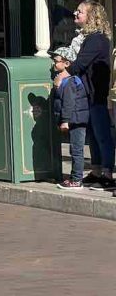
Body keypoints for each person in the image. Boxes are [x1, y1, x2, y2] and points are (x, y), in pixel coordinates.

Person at [58, 0, 115, 188]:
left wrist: (61, 75)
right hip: (89, 94)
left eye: (80, 12)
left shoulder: (96, 39)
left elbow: (79, 64)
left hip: (96, 94)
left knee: (101, 134)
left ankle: (107, 173)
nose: (75, 13)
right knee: (92, 134)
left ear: (91, 17)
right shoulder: (90, 38)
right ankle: (97, 170)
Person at [51, 46, 90, 189]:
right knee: (74, 149)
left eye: (57, 61)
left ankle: (76, 180)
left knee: (77, 149)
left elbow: (68, 103)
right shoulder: (62, 80)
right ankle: (75, 177)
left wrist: (65, 121)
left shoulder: (71, 81)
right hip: (73, 118)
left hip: (76, 119)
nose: (54, 64)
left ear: (67, 63)